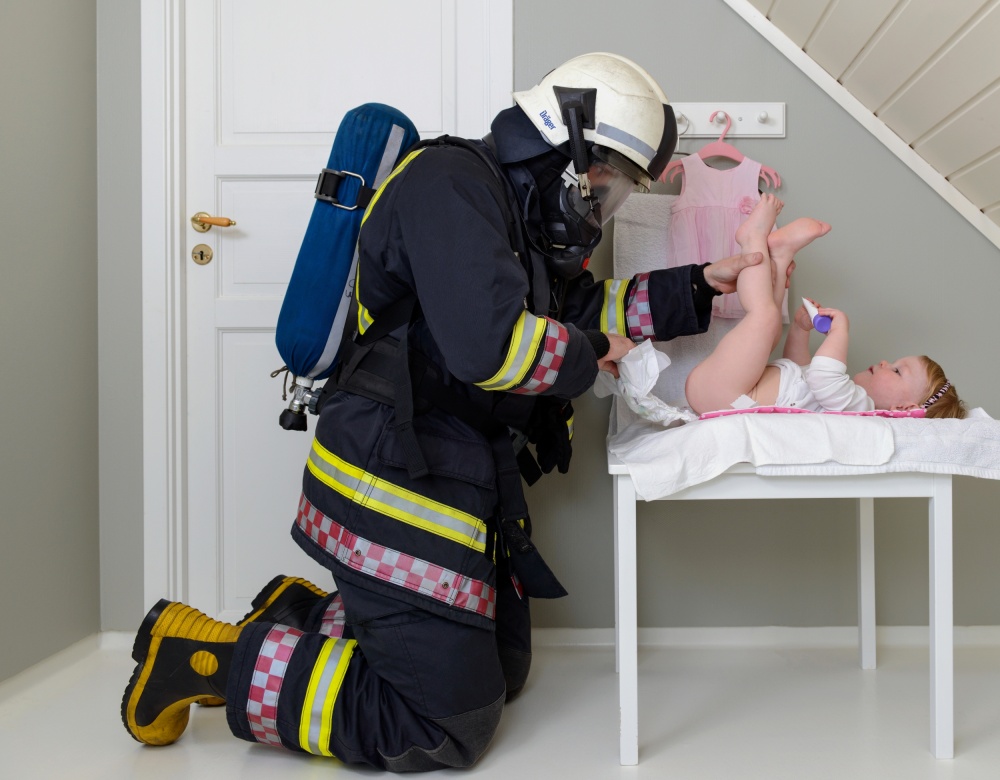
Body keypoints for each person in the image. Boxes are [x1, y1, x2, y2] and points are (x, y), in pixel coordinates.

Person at [121, 53, 781, 770]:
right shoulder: (450, 186)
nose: (601, 202)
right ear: (567, 150)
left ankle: (298, 616)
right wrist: (592, 352)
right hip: (391, 470)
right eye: (604, 180)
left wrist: (700, 285)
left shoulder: (515, 214)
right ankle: (203, 657)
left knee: (506, 670)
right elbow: (488, 347)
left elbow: (579, 308)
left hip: (448, 465)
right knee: (445, 723)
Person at [684, 193, 966, 419]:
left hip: (724, 396)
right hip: (732, 391)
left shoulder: (860, 409)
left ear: (903, 408)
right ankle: (779, 256)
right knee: (769, 330)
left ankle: (752, 240)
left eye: (895, 371)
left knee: (764, 316)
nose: (884, 362)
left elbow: (821, 375)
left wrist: (839, 332)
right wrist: (800, 330)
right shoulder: (841, 398)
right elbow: (800, 368)